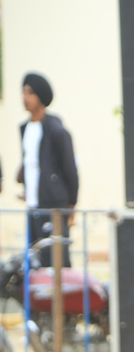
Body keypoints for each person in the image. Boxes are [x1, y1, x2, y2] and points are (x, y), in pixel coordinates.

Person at [17, 73, 78, 268]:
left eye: (30, 92)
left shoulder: (56, 130)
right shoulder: (25, 128)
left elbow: (69, 168)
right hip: (33, 204)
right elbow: (30, 163)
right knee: (35, 259)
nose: (25, 97)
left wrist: (71, 202)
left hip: (53, 205)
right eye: (23, 92)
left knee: (56, 259)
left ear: (41, 96)